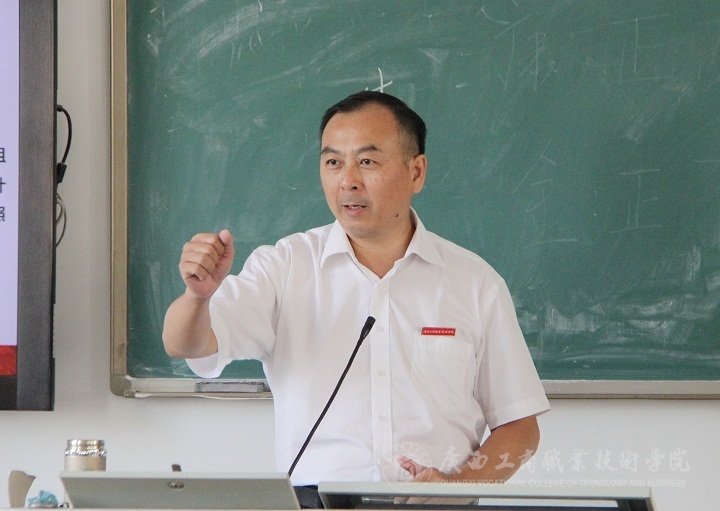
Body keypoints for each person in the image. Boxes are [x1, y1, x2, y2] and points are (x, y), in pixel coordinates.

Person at [162, 91, 550, 502]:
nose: (348, 180)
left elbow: (519, 427)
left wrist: (457, 488)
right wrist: (197, 298)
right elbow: (185, 344)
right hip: (316, 502)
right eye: (333, 162)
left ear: (416, 172)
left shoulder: (473, 282)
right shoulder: (285, 266)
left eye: (367, 162)